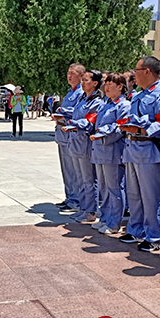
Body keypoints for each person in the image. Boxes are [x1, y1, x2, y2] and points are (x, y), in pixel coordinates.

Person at [118, 56, 160, 252]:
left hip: (149, 148)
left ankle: (154, 235)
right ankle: (136, 229)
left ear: (147, 71)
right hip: (132, 147)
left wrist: (142, 129)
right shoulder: (139, 94)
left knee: (151, 196)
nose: (134, 74)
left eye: (136, 70)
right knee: (134, 194)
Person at [90, 74, 130, 235]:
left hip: (112, 151)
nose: (106, 87)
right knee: (104, 188)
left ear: (120, 87)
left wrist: (102, 133)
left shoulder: (124, 105)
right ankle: (105, 218)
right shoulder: (106, 104)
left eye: (110, 84)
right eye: (105, 84)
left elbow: (120, 128)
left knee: (115, 188)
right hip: (100, 150)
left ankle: (114, 222)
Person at [64, 70, 104, 224]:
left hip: (86, 144)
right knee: (80, 179)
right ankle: (82, 208)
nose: (82, 83)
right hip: (76, 143)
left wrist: (72, 124)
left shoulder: (97, 102)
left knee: (89, 180)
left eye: (86, 80)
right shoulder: (83, 98)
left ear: (95, 83)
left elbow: (89, 122)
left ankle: (90, 211)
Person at [53, 64, 85, 213]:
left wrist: (62, 111)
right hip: (62, 133)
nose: (69, 76)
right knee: (66, 169)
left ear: (81, 75)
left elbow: (78, 111)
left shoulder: (80, 93)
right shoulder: (70, 92)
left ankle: (75, 200)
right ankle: (70, 197)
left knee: (73, 170)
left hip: (70, 133)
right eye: (68, 73)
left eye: (72, 73)